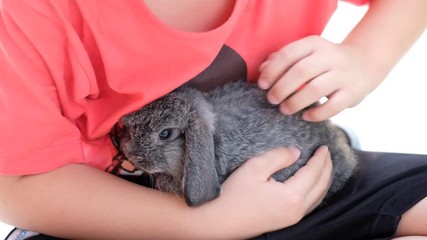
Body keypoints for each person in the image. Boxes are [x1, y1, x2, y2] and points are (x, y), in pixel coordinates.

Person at [0, 0, 426, 239]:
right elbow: (16, 184)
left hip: (301, 180)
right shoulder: (27, 13)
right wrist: (205, 224)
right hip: (128, 217)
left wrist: (365, 58)